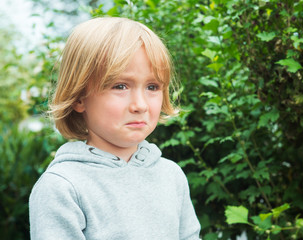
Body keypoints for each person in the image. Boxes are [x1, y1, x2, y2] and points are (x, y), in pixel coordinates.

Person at [29, 17, 201, 240]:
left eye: (152, 87)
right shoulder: (62, 187)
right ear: (79, 97)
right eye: (120, 86)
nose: (140, 105)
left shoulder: (171, 176)